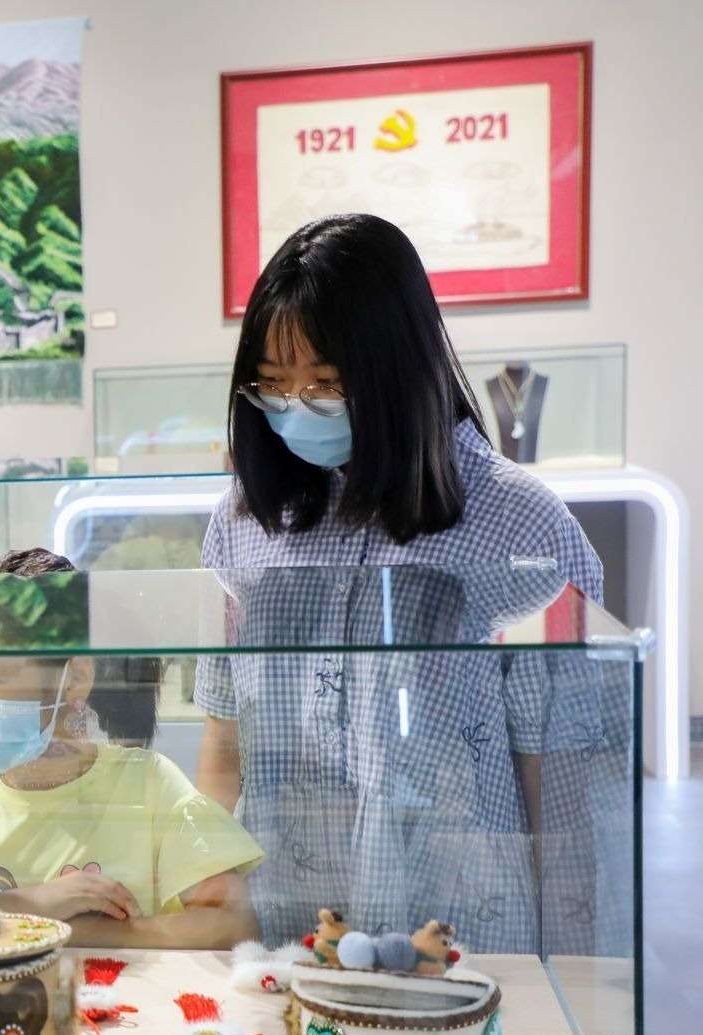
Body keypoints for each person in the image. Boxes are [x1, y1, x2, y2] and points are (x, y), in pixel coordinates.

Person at [192, 213, 604, 954]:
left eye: (326, 383)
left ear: (396, 367)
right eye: (272, 385)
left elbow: (560, 779)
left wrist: (576, 964)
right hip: (289, 914)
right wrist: (211, 893)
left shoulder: (520, 523)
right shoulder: (247, 519)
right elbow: (224, 741)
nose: (296, 407)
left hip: (455, 922)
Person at [0, 549, 263, 948]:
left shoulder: (149, 786)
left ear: (74, 679)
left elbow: (233, 924)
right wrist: (26, 908)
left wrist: (65, 930)